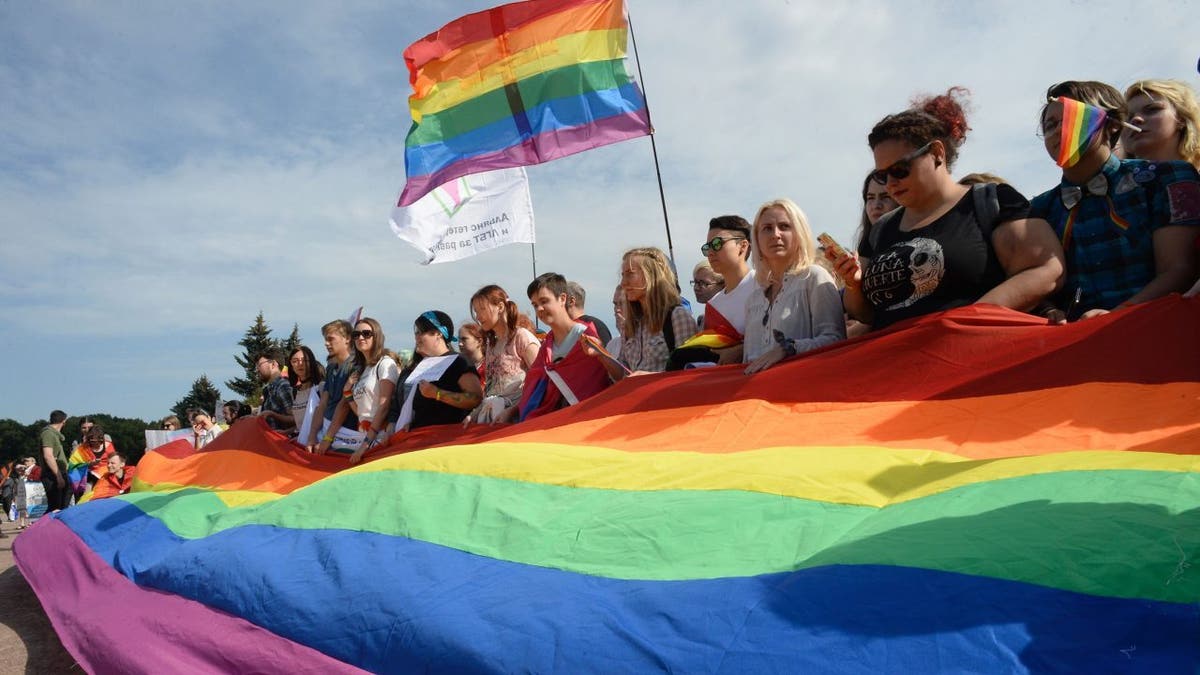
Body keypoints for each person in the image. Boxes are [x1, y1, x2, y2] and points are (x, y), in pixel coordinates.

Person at [833, 87, 1065, 330]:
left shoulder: (991, 202)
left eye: (899, 170)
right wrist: (854, 284)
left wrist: (968, 320)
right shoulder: (881, 229)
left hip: (972, 356)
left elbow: (1047, 269)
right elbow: (865, 314)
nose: (891, 183)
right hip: (896, 359)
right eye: (882, 175)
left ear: (936, 153)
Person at [1030, 81, 1200, 319]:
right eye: (1050, 125)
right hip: (1073, 344)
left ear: (1111, 124)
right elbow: (1033, 279)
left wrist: (1116, 317)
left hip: (1155, 330)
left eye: (1074, 117)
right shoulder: (1039, 208)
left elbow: (1180, 270)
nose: (1059, 130)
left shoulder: (1168, 178)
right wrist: (1049, 311)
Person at [742, 199, 846, 373]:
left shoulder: (814, 277)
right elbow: (749, 361)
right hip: (752, 394)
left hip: (800, 390)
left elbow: (835, 340)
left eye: (784, 226)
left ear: (800, 233)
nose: (775, 234)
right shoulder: (753, 299)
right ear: (757, 240)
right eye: (767, 228)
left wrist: (788, 349)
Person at [519, 273, 615, 420]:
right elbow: (534, 388)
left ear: (563, 298)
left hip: (587, 418)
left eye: (544, 301)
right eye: (535, 305)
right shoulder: (546, 347)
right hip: (552, 421)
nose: (539, 309)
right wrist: (513, 410)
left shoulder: (586, 335)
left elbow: (606, 379)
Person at [668, 215, 756, 369]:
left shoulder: (765, 285)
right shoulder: (713, 305)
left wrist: (740, 350)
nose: (710, 252)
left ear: (743, 246)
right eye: (707, 247)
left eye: (717, 244)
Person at [391, 311, 482, 434]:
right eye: (416, 332)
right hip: (418, 438)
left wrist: (437, 393)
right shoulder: (423, 365)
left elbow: (475, 398)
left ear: (438, 334)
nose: (416, 337)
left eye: (421, 332)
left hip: (445, 441)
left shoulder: (459, 361)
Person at [466, 286, 539, 425]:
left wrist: (513, 410)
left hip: (519, 417)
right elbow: (492, 388)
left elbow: (540, 381)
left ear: (500, 306)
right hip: (494, 416)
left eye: (482, 309)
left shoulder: (521, 337)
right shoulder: (491, 345)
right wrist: (474, 414)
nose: (478, 316)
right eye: (475, 311)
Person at [617, 246, 698, 373]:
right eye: (623, 275)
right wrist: (600, 353)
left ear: (652, 275)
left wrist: (648, 377)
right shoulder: (629, 326)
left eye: (630, 274)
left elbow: (690, 371)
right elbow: (621, 375)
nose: (623, 283)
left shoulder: (677, 317)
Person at [333, 318, 399, 463]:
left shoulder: (386, 363)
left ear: (377, 336)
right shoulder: (362, 370)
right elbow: (361, 412)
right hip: (363, 434)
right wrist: (347, 392)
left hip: (379, 437)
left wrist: (365, 445)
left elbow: (384, 407)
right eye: (356, 334)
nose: (360, 337)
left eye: (366, 333)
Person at [305, 319, 358, 452]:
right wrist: (311, 436)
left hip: (348, 437)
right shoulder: (331, 368)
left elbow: (344, 405)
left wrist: (327, 439)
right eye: (325, 339)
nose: (326, 343)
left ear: (347, 339)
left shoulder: (356, 366)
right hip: (328, 432)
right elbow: (323, 404)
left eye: (330, 339)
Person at [1123, 79, 1200, 169]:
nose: (1136, 119)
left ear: (1182, 118)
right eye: (1128, 117)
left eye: (1152, 109)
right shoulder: (1114, 180)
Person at [286, 346, 325, 436]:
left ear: (311, 362)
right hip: (300, 442)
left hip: (317, 442)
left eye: (304, 360)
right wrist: (285, 433)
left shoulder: (321, 387)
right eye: (295, 361)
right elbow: (300, 424)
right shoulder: (294, 392)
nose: (300, 363)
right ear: (291, 366)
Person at [38, 410, 70, 512]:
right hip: (52, 475)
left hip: (58, 474)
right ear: (64, 421)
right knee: (54, 508)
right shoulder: (48, 434)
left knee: (61, 508)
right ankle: (40, 528)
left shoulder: (54, 435)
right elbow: (48, 456)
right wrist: (59, 476)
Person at [256, 349, 295, 432]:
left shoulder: (283, 386)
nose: (257, 369)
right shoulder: (268, 390)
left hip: (281, 443)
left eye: (259, 365)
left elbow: (295, 419)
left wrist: (273, 414)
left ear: (273, 364)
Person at [565, 281, 614, 346]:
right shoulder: (559, 331)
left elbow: (608, 353)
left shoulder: (596, 327)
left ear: (571, 301)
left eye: (560, 299)